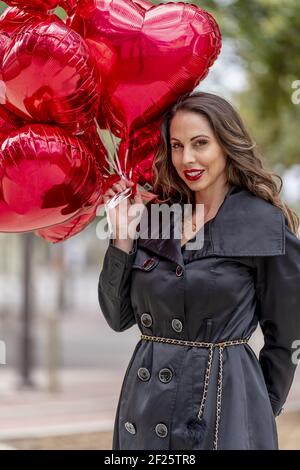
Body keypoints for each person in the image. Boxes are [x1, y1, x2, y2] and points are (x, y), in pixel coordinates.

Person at [98, 91, 300, 450]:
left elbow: (287, 333)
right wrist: (122, 239)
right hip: (145, 408)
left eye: (200, 143)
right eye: (176, 145)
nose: (186, 158)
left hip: (224, 411)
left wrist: (257, 406)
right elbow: (118, 317)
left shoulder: (262, 224)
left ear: (226, 144)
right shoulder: (156, 219)